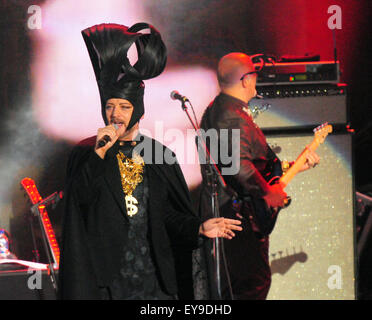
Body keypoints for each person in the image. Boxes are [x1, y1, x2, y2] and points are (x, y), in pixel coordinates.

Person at [58, 23, 242, 300]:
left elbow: (165, 215)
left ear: (139, 112)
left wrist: (198, 227)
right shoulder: (88, 152)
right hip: (108, 284)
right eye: (109, 106)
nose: (115, 114)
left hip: (153, 282)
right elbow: (78, 203)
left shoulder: (158, 155)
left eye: (124, 107)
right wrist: (99, 154)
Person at [197, 52, 320, 300]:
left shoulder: (222, 109)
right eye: (254, 75)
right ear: (245, 80)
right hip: (241, 222)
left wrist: (291, 166)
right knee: (253, 286)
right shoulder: (231, 116)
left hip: (236, 216)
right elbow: (239, 167)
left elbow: (248, 163)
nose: (256, 81)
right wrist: (268, 193)